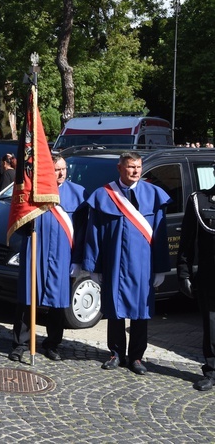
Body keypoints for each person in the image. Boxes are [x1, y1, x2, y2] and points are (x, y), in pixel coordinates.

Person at [84, 151, 170, 375]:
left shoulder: (154, 195)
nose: (135, 171)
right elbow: (94, 234)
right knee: (114, 310)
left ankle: (137, 357)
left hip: (143, 267)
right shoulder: (104, 195)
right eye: (131, 167)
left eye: (139, 167)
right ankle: (115, 353)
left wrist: (161, 268)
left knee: (140, 312)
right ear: (120, 168)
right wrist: (93, 266)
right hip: (114, 264)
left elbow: (160, 236)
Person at [9, 156, 87, 362]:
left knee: (58, 301)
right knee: (27, 298)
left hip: (62, 255)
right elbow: (17, 221)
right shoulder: (33, 193)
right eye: (56, 169)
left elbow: (81, 232)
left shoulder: (78, 194)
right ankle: (20, 343)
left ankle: (53, 343)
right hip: (36, 250)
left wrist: (77, 260)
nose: (61, 173)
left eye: (63, 169)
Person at [177, 171, 215, 390]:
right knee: (211, 328)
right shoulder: (199, 201)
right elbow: (187, 243)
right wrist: (184, 274)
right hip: (209, 279)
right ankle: (211, 372)